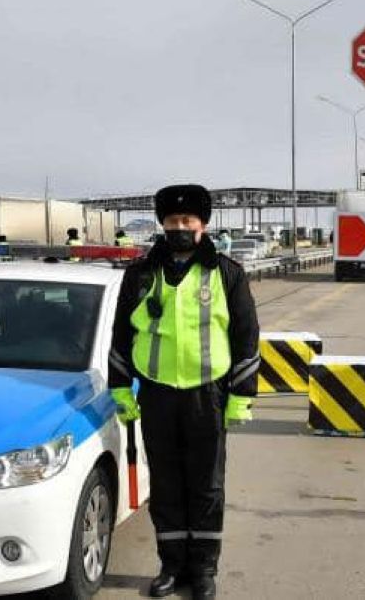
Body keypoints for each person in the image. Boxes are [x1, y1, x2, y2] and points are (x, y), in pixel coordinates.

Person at [108, 184, 260, 600]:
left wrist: (241, 396)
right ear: (162, 224)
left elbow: (247, 337)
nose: (180, 227)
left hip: (207, 395)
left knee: (207, 485)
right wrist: (121, 389)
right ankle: (171, 565)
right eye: (173, 221)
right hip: (157, 395)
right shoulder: (139, 274)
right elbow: (121, 335)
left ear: (203, 225)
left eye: (188, 221)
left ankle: (205, 569)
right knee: (168, 483)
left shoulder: (227, 273)